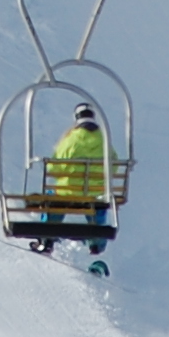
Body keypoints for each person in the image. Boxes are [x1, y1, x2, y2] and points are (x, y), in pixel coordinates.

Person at [33, 102, 111, 254]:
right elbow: (112, 166)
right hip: (93, 193)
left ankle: (47, 238)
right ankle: (96, 243)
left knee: (54, 198)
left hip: (68, 191)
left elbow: (54, 168)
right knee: (97, 204)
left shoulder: (70, 140)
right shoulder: (104, 140)